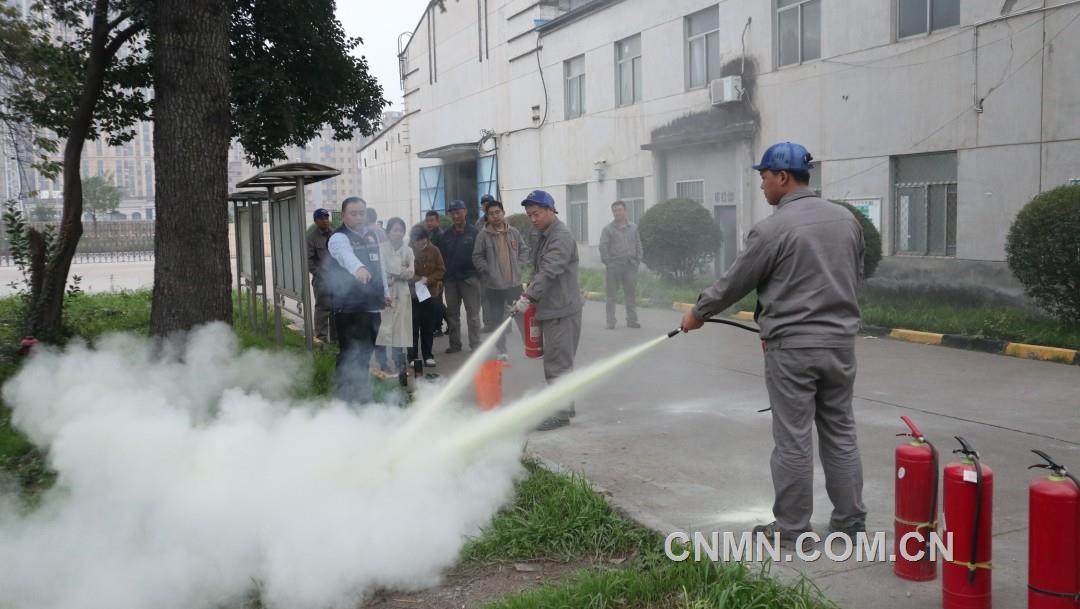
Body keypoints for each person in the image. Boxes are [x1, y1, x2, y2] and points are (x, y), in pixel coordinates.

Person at [678, 142, 867, 549]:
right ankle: (850, 521)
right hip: (840, 344)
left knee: (794, 437)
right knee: (840, 431)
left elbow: (735, 281)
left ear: (783, 177)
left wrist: (699, 312)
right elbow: (855, 273)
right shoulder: (847, 220)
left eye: (763, 176)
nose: (762, 185)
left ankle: (793, 529)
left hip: (794, 349)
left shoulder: (773, 228)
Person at [509, 190, 584, 431]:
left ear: (551, 210)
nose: (533, 219)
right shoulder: (544, 234)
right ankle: (564, 408)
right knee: (557, 360)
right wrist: (528, 292)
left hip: (561, 310)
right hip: (552, 307)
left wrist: (529, 296)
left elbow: (550, 270)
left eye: (537, 214)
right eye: (529, 215)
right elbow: (537, 268)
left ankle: (560, 414)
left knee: (558, 363)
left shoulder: (560, 236)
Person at [326, 196, 389, 405]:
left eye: (362, 212)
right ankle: (345, 398)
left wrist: (385, 293)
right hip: (349, 308)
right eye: (353, 213)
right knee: (350, 353)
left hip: (372, 306)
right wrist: (358, 269)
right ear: (343, 215)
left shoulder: (372, 235)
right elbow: (345, 255)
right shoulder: (339, 238)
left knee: (366, 353)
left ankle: (362, 394)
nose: (359, 217)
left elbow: (379, 267)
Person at [472, 198, 529, 357]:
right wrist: (488, 270)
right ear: (487, 216)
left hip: (513, 284)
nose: (495, 216)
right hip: (494, 286)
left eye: (498, 212)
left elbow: (524, 249)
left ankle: (529, 345)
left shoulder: (514, 232)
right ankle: (502, 350)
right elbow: (477, 257)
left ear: (503, 213)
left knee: (520, 317)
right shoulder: (483, 236)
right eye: (491, 214)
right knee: (497, 320)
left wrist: (519, 265)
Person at [438, 200, 482, 354]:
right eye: (453, 213)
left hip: (470, 279)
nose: (456, 215)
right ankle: (455, 345)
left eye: (458, 212)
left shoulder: (474, 232)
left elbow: (481, 256)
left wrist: (478, 275)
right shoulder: (447, 235)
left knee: (473, 315)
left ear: (465, 212)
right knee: (452, 315)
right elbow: (442, 257)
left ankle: (475, 344)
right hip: (451, 281)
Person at [374, 217, 414, 379]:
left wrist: (394, 272)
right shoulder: (380, 248)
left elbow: (410, 273)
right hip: (385, 293)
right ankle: (383, 363)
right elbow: (380, 272)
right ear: (388, 232)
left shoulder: (408, 250)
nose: (397, 233)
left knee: (400, 330)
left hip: (402, 293)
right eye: (394, 230)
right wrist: (400, 271)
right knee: (383, 329)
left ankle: (400, 364)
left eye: (400, 230)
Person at [598, 200, 643, 330]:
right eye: (615, 210)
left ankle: (632, 320)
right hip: (614, 266)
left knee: (631, 294)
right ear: (613, 212)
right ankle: (610, 321)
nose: (618, 212)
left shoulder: (633, 227)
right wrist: (608, 263)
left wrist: (638, 259)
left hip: (630, 265)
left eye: (620, 210)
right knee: (611, 295)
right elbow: (603, 247)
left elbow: (638, 243)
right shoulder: (608, 229)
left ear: (625, 211)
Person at [409, 226, 445, 367]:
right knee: (413, 326)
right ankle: (412, 356)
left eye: (422, 240)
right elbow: (404, 270)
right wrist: (418, 279)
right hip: (412, 294)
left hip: (431, 293)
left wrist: (428, 280)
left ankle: (428, 355)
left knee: (428, 326)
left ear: (426, 238)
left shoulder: (434, 250)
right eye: (416, 240)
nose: (419, 243)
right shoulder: (408, 251)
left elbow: (441, 270)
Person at [305, 208, 335, 343]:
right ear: (316, 221)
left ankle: (336, 339)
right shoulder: (311, 238)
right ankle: (321, 338)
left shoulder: (335, 234)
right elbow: (309, 261)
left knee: (336, 310)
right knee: (322, 309)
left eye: (327, 218)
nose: (325, 221)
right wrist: (319, 274)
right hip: (321, 280)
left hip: (337, 280)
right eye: (322, 218)